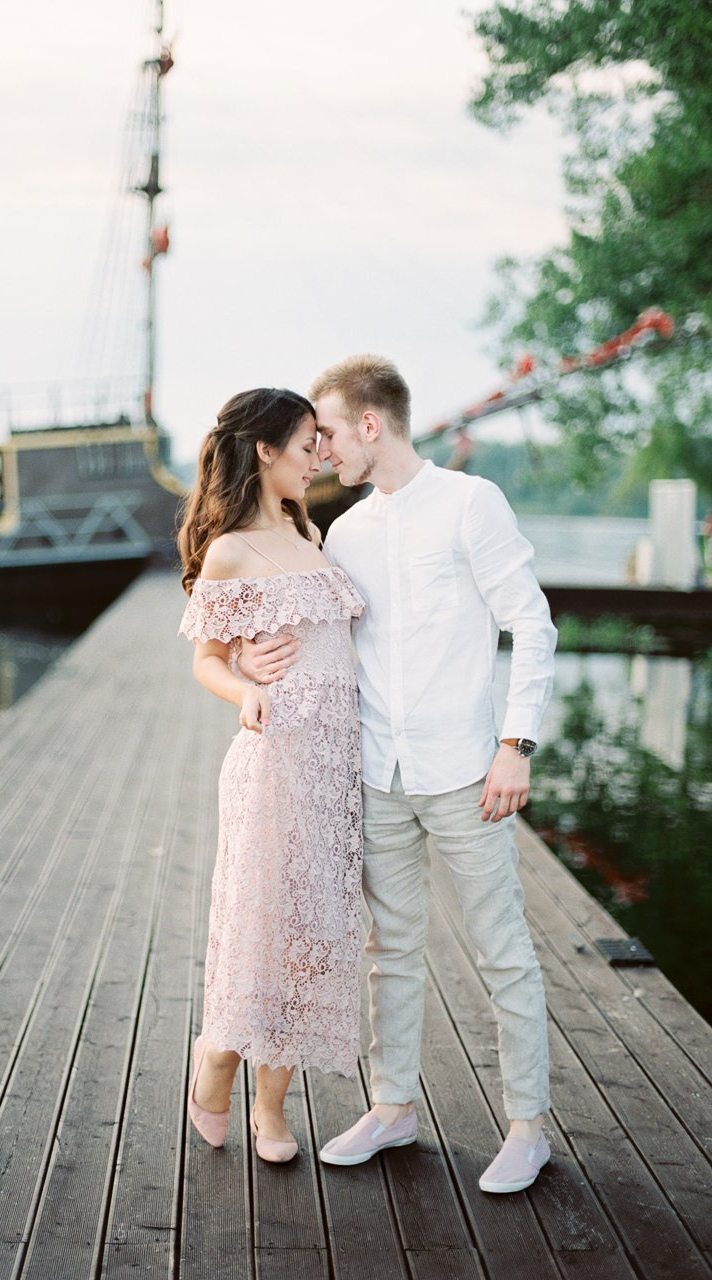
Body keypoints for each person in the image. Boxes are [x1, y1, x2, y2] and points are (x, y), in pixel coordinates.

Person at [238, 355, 557, 1193]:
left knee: (502, 951)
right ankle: (393, 1108)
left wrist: (514, 745)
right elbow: (305, 629)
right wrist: (247, 663)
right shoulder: (343, 532)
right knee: (391, 952)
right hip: (373, 774)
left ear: (370, 425)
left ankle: (528, 1127)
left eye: (330, 435)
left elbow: (531, 624)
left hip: (467, 773)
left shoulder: (469, 503)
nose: (321, 453)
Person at [178, 387, 366, 1164]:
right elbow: (206, 661)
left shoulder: (307, 527)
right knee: (263, 934)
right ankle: (217, 1056)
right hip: (273, 760)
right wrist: (248, 686)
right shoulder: (229, 550)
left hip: (335, 767)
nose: (316, 457)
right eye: (304, 443)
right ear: (264, 451)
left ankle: (271, 1106)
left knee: (311, 941)